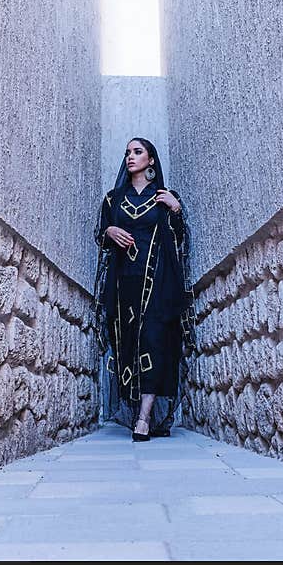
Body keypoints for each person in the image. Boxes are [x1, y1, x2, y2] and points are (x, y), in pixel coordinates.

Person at [92, 137, 196, 441]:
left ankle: (144, 417)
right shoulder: (113, 199)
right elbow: (102, 236)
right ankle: (137, 410)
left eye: (137, 152)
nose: (130, 157)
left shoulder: (164, 196)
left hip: (159, 282)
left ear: (151, 160)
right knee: (128, 345)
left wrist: (176, 211)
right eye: (127, 152)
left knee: (155, 340)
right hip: (124, 283)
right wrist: (110, 230)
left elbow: (179, 239)